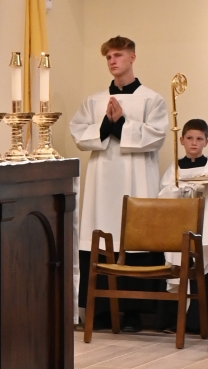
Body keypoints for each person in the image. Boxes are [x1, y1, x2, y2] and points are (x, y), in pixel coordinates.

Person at [70, 35, 168, 332]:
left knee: (135, 235)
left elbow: (156, 136)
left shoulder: (152, 99)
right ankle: (100, 311)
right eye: (109, 57)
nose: (113, 61)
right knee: (100, 233)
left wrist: (121, 124)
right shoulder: (94, 100)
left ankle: (134, 313)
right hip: (103, 177)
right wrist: (106, 124)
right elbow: (79, 133)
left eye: (118, 55)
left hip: (137, 176)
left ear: (132, 57)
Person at [156, 118, 208, 333]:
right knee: (176, 270)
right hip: (178, 225)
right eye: (190, 138)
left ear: (206, 142)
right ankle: (171, 322)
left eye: (199, 139)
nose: (194, 143)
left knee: (201, 271)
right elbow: (163, 194)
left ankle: (198, 323)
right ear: (181, 140)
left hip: (204, 225)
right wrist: (178, 190)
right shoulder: (174, 169)